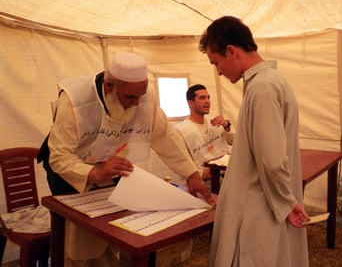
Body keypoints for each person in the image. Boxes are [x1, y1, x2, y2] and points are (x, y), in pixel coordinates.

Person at [38, 52, 215, 266]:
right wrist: (94, 172)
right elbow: (59, 156)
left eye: (140, 96)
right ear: (109, 88)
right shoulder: (75, 99)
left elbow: (166, 138)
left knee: (110, 228)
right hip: (70, 172)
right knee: (80, 241)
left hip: (109, 166)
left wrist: (192, 174)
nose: (136, 104)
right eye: (130, 97)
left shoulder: (141, 98)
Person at [198, 16, 310, 267]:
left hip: (257, 206)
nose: (218, 71)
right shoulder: (268, 83)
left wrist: (286, 202)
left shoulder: (263, 88)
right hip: (263, 200)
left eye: (216, 62)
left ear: (231, 51)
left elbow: (271, 159)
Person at [174, 84, 233, 180]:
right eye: (202, 98)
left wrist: (226, 124)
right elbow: (180, 161)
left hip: (226, 174)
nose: (207, 101)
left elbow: (232, 140)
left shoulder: (213, 121)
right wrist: (200, 174)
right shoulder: (181, 130)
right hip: (205, 181)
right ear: (191, 103)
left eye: (208, 97)